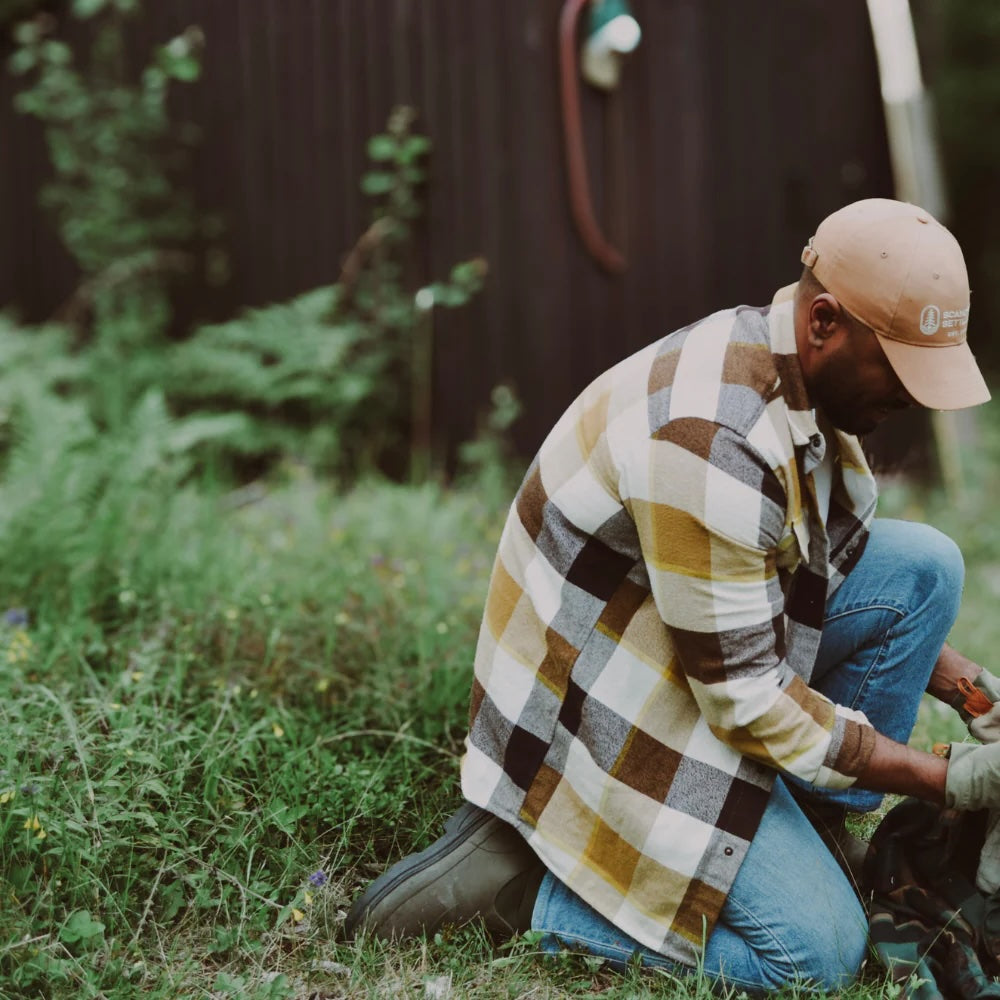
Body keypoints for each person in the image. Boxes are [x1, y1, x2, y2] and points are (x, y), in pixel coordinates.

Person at [345, 199, 1000, 993]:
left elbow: (822, 569)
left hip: (687, 637)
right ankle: (530, 892)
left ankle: (804, 827)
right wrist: (945, 777)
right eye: (900, 367)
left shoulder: (795, 370)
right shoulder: (712, 436)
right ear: (825, 320)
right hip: (594, 708)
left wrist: (970, 692)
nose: (916, 396)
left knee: (925, 565)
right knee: (817, 955)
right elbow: (749, 702)